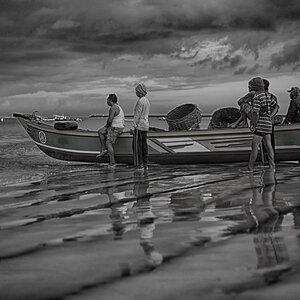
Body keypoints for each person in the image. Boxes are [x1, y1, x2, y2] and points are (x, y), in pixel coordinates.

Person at [248, 77, 276, 171]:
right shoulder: (268, 95)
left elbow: (255, 113)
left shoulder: (257, 97)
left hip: (260, 124)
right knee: (268, 145)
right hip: (268, 123)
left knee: (254, 146)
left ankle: (250, 168)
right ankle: (272, 166)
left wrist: (253, 123)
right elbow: (274, 106)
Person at [96, 94, 125, 167]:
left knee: (108, 143)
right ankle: (103, 150)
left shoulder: (113, 108)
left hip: (115, 128)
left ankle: (112, 163)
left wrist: (106, 127)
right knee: (100, 132)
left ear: (110, 100)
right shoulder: (118, 106)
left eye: (107, 100)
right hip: (118, 127)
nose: (106, 101)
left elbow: (110, 120)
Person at [130, 83, 150, 171]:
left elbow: (137, 115)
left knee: (137, 146)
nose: (136, 93)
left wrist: (133, 126)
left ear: (139, 92)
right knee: (144, 145)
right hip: (145, 125)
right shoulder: (147, 101)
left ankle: (140, 165)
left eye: (136, 91)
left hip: (139, 126)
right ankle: (145, 164)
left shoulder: (140, 101)